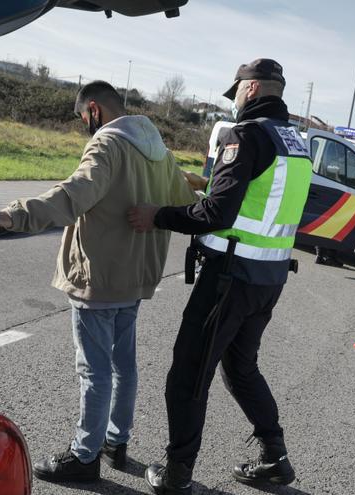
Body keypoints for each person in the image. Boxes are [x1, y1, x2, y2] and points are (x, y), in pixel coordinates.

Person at [0, 81, 197, 483]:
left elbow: (73, 194)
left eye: (82, 119)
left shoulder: (107, 145)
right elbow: (185, 198)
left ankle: (85, 455)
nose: (84, 125)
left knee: (95, 371)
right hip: (136, 278)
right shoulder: (161, 153)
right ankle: (116, 442)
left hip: (98, 277)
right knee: (124, 365)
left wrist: (13, 215)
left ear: (93, 110)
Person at [126, 58, 312, 494]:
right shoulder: (297, 145)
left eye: (237, 94)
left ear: (250, 89)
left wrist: (159, 216)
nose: (234, 103)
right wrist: (206, 184)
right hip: (268, 279)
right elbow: (257, 200)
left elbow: (218, 213)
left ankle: (177, 474)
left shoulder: (243, 136)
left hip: (230, 277)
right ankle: (275, 458)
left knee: (189, 374)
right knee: (241, 368)